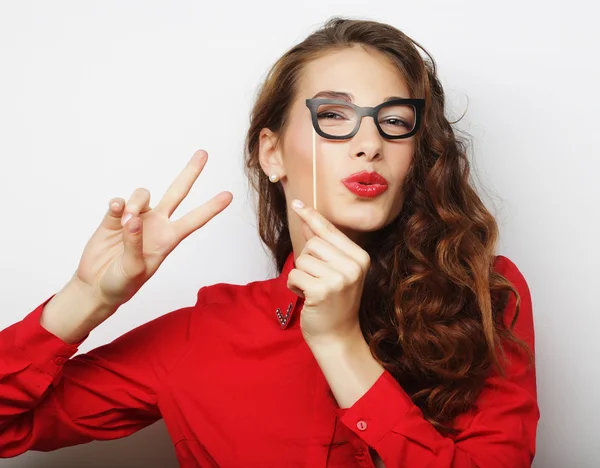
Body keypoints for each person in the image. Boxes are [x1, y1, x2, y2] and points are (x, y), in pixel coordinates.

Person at [0, 16, 539, 468]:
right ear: (272, 152)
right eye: (333, 116)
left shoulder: (482, 296)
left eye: (394, 121)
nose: (370, 144)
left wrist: (340, 344)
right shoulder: (206, 334)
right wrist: (85, 297)